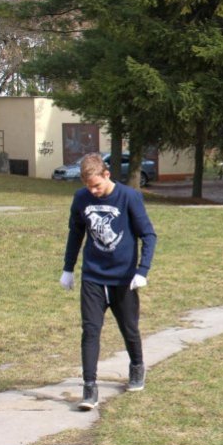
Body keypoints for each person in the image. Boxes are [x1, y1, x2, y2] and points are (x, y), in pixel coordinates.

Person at [60, 152, 157, 410]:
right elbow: (76, 233)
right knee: (90, 330)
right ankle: (89, 388)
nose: (93, 191)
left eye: (97, 185)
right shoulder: (82, 198)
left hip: (123, 278)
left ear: (107, 175)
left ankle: (137, 366)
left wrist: (142, 271)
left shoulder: (129, 197)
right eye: (88, 186)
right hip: (93, 276)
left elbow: (148, 235)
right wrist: (68, 268)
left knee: (129, 328)